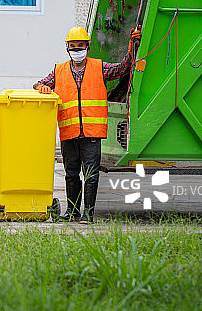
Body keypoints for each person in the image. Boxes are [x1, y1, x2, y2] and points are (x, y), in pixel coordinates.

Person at [34, 26, 140, 224]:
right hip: (69, 132)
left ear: (88, 47)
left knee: (90, 175)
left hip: (91, 133)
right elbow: (41, 83)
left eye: (80, 46)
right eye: (73, 47)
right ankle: (72, 212)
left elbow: (122, 68)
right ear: (67, 49)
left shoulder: (99, 67)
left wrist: (132, 46)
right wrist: (41, 87)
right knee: (71, 175)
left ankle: (88, 214)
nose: (76, 50)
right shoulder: (60, 70)